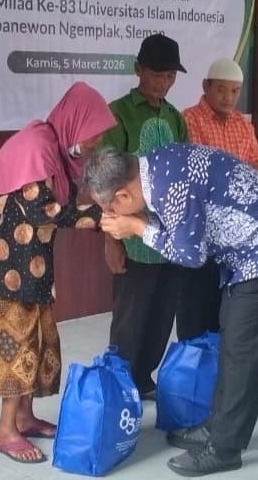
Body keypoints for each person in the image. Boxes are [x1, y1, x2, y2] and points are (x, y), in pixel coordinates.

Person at [82, 144, 258, 477]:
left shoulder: (171, 186)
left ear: (124, 195)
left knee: (243, 347)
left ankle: (225, 449)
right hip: (257, 244)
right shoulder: (157, 165)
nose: (113, 216)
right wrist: (142, 221)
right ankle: (216, 427)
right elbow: (182, 224)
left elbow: (190, 255)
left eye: (111, 208)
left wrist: (138, 228)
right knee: (232, 336)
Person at [0, 82, 115, 464]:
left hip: (28, 263)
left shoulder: (56, 149)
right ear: (76, 122)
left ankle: (24, 418)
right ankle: (5, 431)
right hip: (1, 265)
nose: (97, 140)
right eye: (94, 131)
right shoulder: (37, 146)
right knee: (15, 344)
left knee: (38, 339)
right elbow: (43, 211)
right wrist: (103, 218)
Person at [97, 33, 190, 399]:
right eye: (156, 74)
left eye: (170, 76)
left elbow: (185, 175)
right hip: (132, 238)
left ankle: (143, 378)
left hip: (169, 237)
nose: (163, 83)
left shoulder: (175, 118)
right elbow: (106, 182)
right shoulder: (118, 113)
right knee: (129, 318)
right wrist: (111, 241)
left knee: (162, 314)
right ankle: (119, 384)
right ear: (138, 69)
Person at [179, 57, 258, 341]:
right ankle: (193, 356)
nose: (229, 97)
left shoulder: (243, 124)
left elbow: (256, 165)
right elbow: (199, 172)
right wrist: (234, 175)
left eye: (235, 91)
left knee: (225, 299)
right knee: (196, 300)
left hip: (235, 227)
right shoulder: (188, 119)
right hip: (200, 224)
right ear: (206, 86)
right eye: (221, 89)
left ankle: (217, 356)